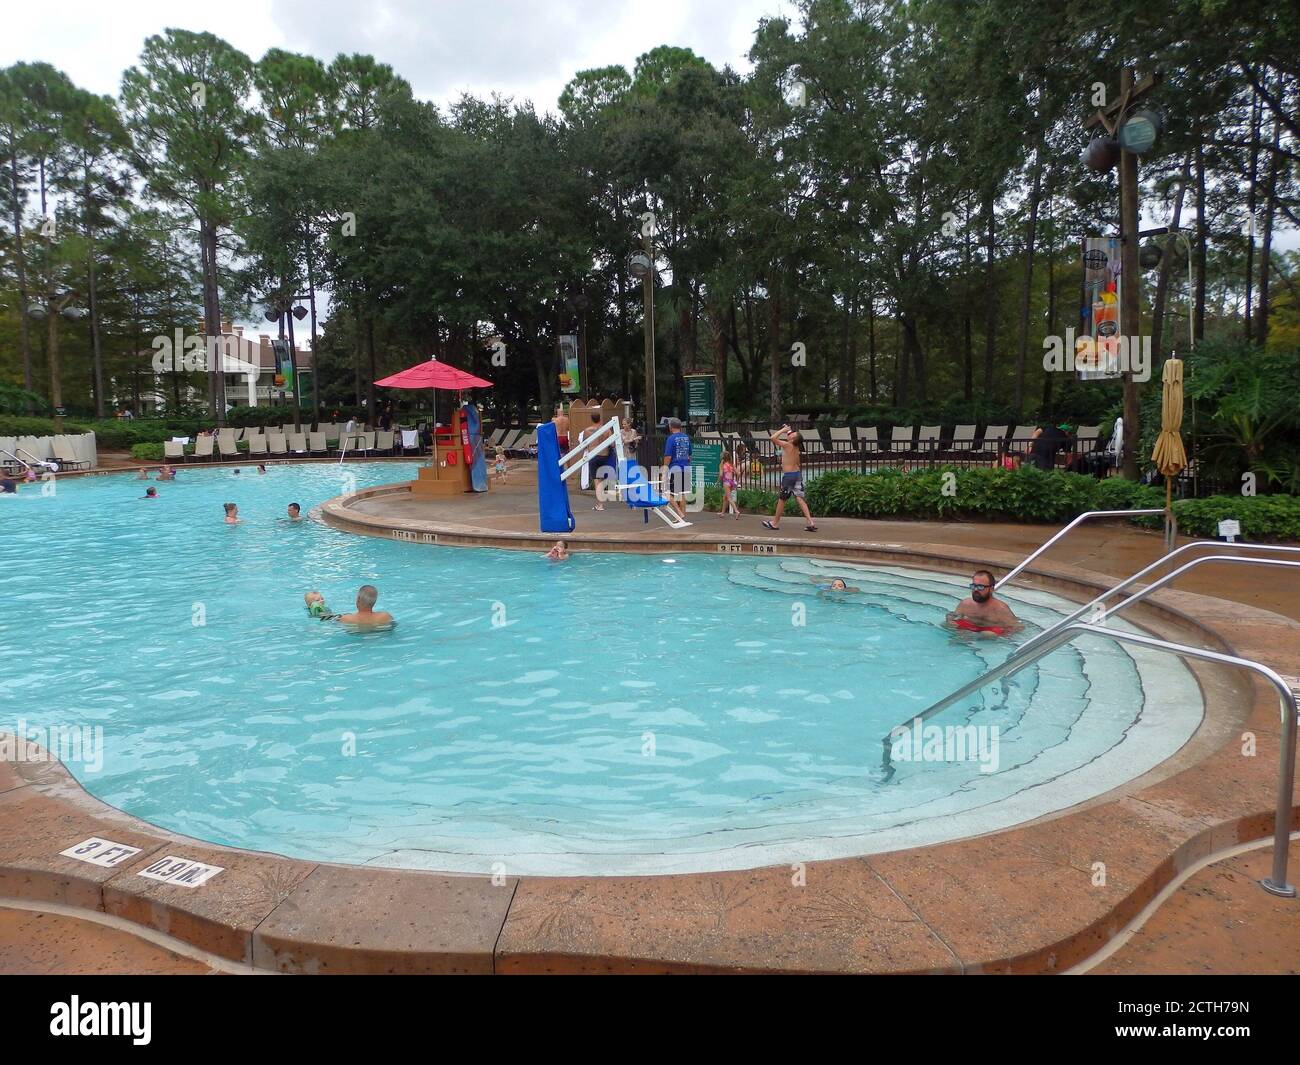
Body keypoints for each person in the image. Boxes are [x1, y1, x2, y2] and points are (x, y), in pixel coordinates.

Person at [761, 426, 818, 532]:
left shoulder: (788, 445)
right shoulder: (796, 448)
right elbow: (798, 463)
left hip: (789, 476)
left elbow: (773, 438)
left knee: (782, 499)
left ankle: (775, 523)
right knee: (799, 498)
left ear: (792, 439)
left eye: (793, 434)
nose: (791, 433)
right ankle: (810, 522)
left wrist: (783, 430)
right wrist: (788, 431)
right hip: (797, 474)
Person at [947, 569, 1020, 637]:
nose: (976, 589)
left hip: (990, 631)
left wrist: (1003, 635)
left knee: (987, 634)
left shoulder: (1000, 609)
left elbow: (1017, 628)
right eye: (973, 586)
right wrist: (950, 620)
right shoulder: (966, 604)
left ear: (991, 589)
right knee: (947, 625)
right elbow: (952, 616)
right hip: (970, 628)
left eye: (980, 587)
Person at [662, 417, 692, 521]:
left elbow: (668, 456)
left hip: (675, 468)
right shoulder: (686, 438)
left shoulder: (671, 438)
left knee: (667, 492)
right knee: (682, 493)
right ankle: (682, 515)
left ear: (670, 427)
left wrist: (665, 469)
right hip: (685, 467)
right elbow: (690, 456)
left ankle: (678, 512)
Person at [719, 450, 740, 519]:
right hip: (731, 482)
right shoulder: (731, 464)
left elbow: (721, 474)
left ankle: (736, 511)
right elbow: (738, 473)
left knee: (729, 498)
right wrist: (737, 481)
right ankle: (722, 513)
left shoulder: (722, 464)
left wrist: (718, 480)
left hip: (726, 482)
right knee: (725, 497)